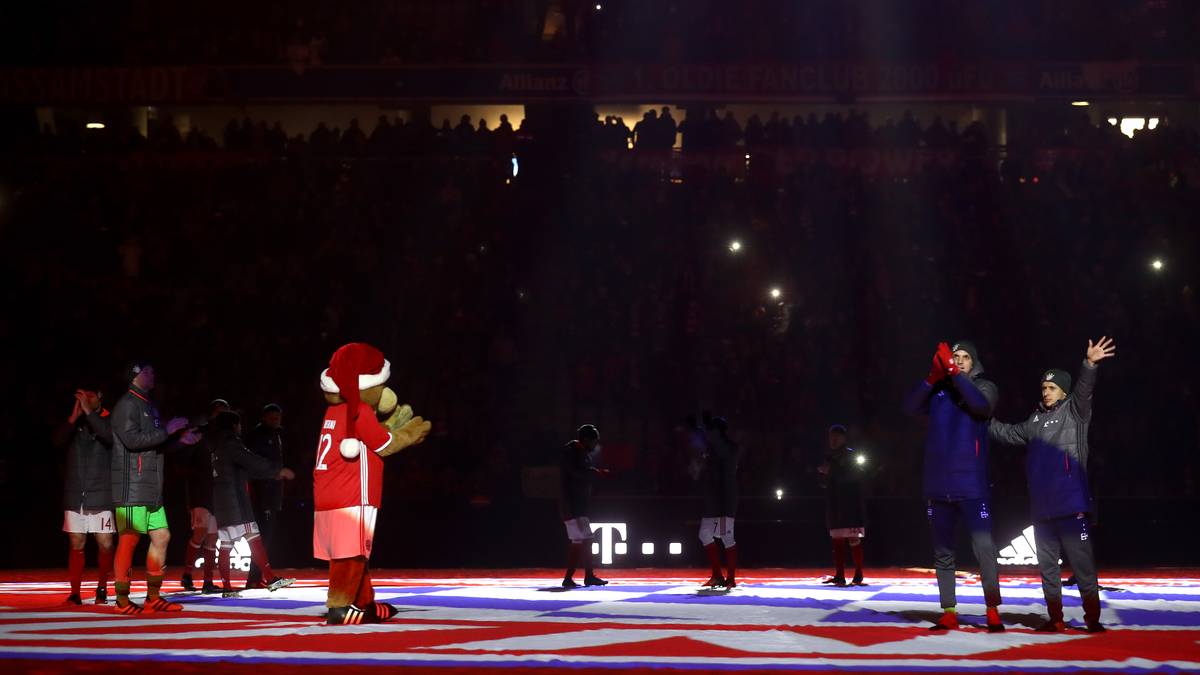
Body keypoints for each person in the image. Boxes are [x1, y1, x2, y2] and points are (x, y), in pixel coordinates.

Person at [989, 337, 1116, 633]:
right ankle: (1055, 618)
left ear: (1064, 391)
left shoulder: (1076, 411)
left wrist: (1089, 364)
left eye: (1052, 388)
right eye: (1044, 388)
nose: (1046, 392)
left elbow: (1085, 388)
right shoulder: (1034, 420)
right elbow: (1007, 432)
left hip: (1071, 504)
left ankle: (1092, 619)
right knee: (1047, 569)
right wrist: (979, 421)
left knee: (1082, 566)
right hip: (1042, 509)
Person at [314, 343, 431, 625]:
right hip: (353, 493)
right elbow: (384, 444)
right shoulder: (360, 412)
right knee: (351, 555)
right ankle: (340, 607)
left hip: (329, 492)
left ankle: (363, 602)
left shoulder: (333, 413)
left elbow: (365, 441)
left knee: (353, 552)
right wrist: (409, 432)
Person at [904, 341, 1004, 632]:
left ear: (974, 364)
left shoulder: (985, 387)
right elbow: (909, 406)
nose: (959, 362)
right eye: (955, 358)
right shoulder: (939, 389)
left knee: (984, 547)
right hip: (938, 485)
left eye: (965, 358)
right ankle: (948, 611)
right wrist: (931, 379)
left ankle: (992, 609)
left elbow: (981, 407)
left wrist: (953, 375)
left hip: (972, 484)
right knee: (942, 551)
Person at [110, 361, 199, 614]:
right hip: (131, 487)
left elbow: (155, 445)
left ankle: (152, 597)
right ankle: (122, 600)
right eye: (148, 371)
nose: (153, 374)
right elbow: (132, 440)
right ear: (135, 376)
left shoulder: (147, 405)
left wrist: (179, 440)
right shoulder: (127, 404)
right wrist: (168, 430)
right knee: (128, 540)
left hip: (150, 486)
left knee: (162, 536)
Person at [208, 410, 296, 595]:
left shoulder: (216, 445)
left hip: (221, 502)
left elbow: (243, 469)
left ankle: (227, 587)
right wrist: (276, 471)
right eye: (239, 424)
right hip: (236, 502)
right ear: (234, 426)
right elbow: (252, 462)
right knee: (254, 538)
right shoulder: (232, 444)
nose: (241, 428)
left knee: (226, 543)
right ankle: (270, 578)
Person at [53, 386, 115, 605]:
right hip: (75, 493)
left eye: (90, 395)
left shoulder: (110, 418)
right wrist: (73, 417)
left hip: (101, 492)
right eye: (82, 396)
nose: (85, 400)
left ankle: (102, 587)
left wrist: (90, 414)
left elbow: (110, 438)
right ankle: (75, 593)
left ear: (100, 396)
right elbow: (57, 442)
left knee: (105, 543)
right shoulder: (75, 422)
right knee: (76, 543)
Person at [180, 399, 230, 594]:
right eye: (218, 412)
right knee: (199, 533)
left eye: (225, 412)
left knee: (212, 538)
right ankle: (187, 575)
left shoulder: (227, 436)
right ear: (212, 414)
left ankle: (208, 582)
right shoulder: (200, 433)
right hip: (200, 492)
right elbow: (184, 460)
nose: (221, 416)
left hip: (217, 493)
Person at [245, 403, 289, 590]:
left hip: (273, 492)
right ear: (264, 417)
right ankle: (254, 578)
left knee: (266, 537)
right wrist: (274, 473)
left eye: (278, 417)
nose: (276, 421)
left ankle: (257, 577)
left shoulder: (277, 434)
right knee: (263, 537)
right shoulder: (258, 435)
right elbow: (255, 463)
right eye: (272, 418)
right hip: (262, 493)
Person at [559, 424, 609, 588]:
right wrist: (595, 473)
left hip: (574, 505)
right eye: (594, 441)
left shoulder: (579, 453)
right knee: (586, 540)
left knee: (578, 541)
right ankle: (587, 576)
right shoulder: (573, 453)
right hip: (573, 505)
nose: (595, 445)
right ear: (587, 440)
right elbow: (576, 473)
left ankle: (570, 578)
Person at [818, 424, 869, 586]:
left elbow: (852, 477)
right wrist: (823, 476)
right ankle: (839, 574)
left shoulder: (851, 456)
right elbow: (824, 482)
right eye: (831, 437)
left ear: (843, 438)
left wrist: (830, 472)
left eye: (836, 437)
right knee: (837, 540)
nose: (832, 440)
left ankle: (858, 573)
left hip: (850, 502)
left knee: (854, 539)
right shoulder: (828, 456)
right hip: (835, 503)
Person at [697, 412, 739, 589]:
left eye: (711, 431)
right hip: (713, 499)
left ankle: (730, 578)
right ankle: (717, 575)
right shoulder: (713, 448)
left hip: (724, 500)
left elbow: (722, 456)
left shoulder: (729, 447)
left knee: (726, 537)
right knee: (705, 534)